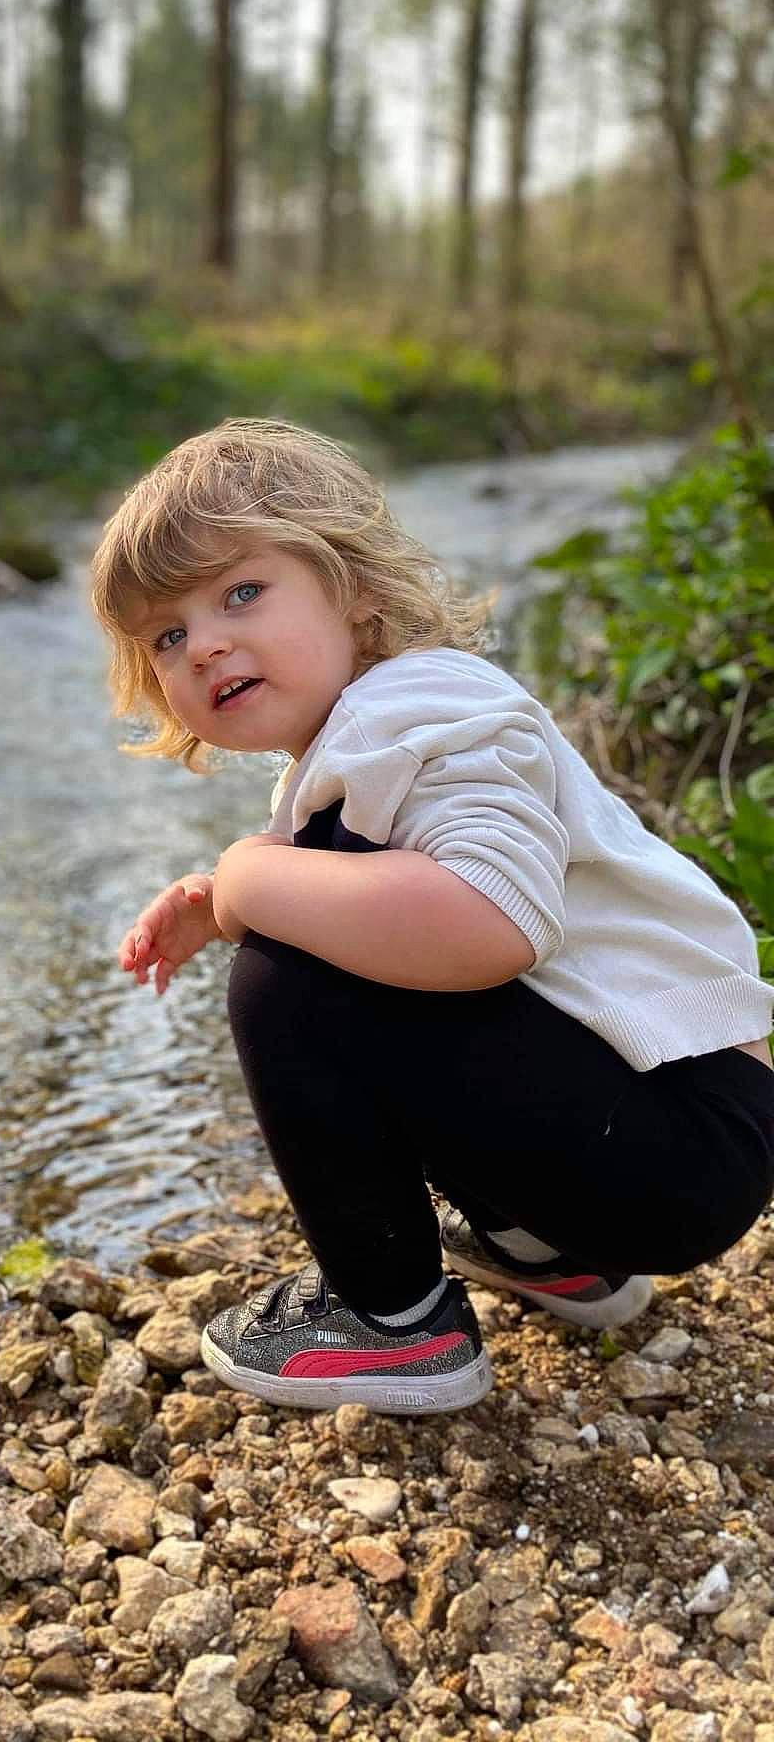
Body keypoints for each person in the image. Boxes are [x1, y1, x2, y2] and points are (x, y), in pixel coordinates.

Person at [90, 418, 774, 1415]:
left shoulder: (425, 709)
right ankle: (539, 1244)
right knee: (327, 920)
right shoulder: (376, 733)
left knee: (287, 975)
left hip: (676, 1135)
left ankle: (392, 1317)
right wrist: (217, 894)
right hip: (663, 1134)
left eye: (241, 591)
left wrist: (246, 881)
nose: (206, 643)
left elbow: (492, 920)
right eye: (167, 633)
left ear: (353, 587)